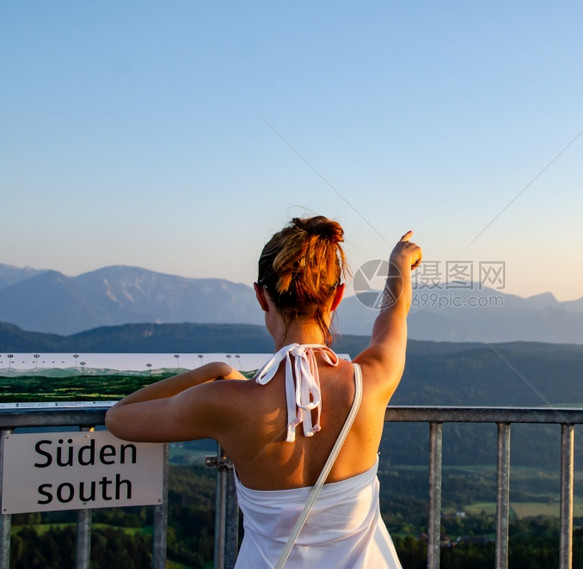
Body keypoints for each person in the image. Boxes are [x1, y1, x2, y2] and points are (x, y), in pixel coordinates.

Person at [106, 216, 421, 568]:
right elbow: (394, 314)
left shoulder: (226, 403)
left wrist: (214, 371)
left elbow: (119, 418)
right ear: (337, 297)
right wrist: (399, 263)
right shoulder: (373, 380)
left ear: (260, 296)